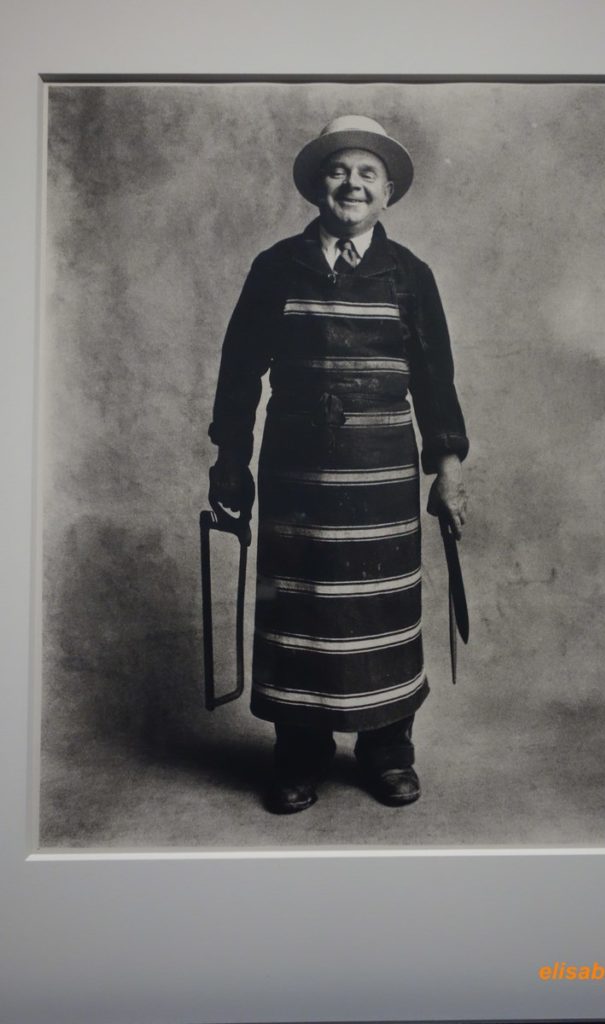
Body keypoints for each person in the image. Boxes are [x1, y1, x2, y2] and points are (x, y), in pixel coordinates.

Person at [209, 114, 468, 814]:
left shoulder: (410, 275)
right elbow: (240, 370)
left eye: (367, 174)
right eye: (338, 171)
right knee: (298, 605)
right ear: (316, 186)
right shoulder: (275, 268)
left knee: (381, 606)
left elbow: (435, 381)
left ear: (388, 194)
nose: (352, 184)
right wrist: (231, 457)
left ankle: (387, 751)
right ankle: (300, 754)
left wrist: (447, 469)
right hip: (295, 477)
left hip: (382, 479)